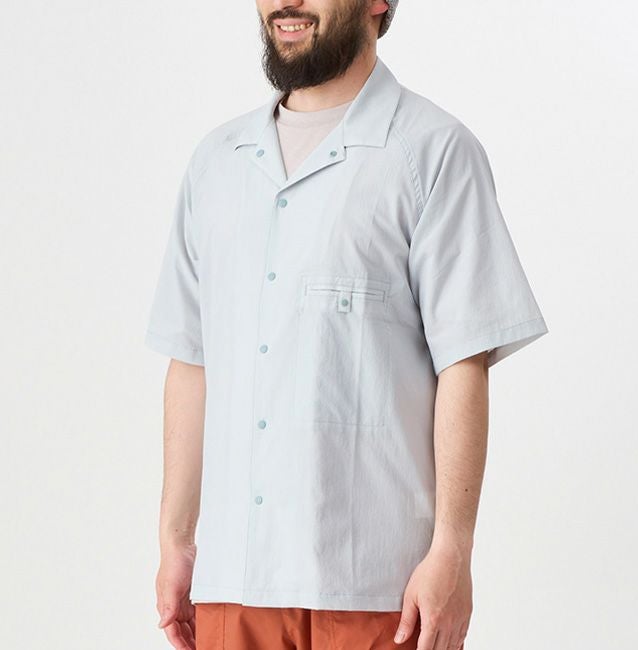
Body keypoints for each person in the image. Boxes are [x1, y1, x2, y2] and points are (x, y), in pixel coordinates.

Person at [144, 1, 549, 648]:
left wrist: (453, 548)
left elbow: (464, 362)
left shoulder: (433, 152)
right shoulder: (216, 163)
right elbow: (191, 362)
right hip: (234, 582)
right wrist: (176, 541)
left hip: (379, 589)